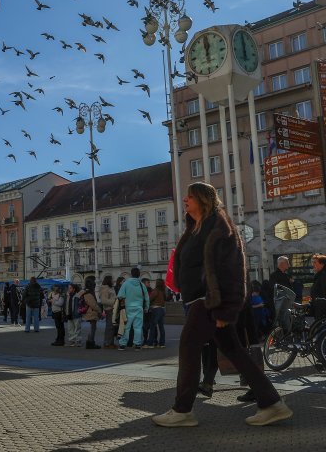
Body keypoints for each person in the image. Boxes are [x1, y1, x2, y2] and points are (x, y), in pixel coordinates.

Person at [152, 182, 292, 428]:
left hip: (208, 300)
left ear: (204, 200)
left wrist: (225, 308)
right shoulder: (195, 228)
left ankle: (182, 410)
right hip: (199, 299)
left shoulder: (219, 226)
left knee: (188, 345)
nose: (185, 200)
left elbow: (232, 269)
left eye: (190, 197)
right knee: (234, 351)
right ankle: (272, 404)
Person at [117, 268, 149, 351]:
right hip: (139, 308)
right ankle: (137, 344)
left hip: (128, 308)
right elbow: (146, 298)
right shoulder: (142, 285)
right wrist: (146, 307)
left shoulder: (126, 284)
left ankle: (122, 344)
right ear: (139, 274)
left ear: (131, 274)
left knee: (126, 327)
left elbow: (120, 295)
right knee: (138, 327)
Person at [81, 276, 102, 349]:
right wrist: (99, 311)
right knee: (93, 328)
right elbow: (93, 305)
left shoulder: (86, 292)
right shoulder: (89, 294)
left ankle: (90, 342)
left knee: (93, 327)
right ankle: (90, 342)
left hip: (90, 312)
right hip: (91, 312)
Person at [146, 278, 167, 348]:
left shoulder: (155, 291)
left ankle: (150, 343)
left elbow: (149, 299)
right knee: (161, 327)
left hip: (156, 309)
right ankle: (162, 343)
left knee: (152, 326)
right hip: (162, 309)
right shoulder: (163, 291)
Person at [100, 275, 117, 348]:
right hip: (109, 309)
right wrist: (114, 302)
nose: (113, 281)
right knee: (109, 326)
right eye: (112, 279)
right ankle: (107, 343)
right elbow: (103, 301)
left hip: (112, 309)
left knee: (112, 326)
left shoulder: (110, 288)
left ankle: (111, 342)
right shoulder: (105, 289)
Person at [309, 254, 326, 321]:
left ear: (322, 264)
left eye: (315, 262)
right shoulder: (320, 274)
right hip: (318, 306)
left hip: (322, 308)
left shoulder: (324, 275)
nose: (313, 264)